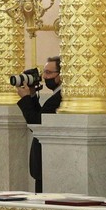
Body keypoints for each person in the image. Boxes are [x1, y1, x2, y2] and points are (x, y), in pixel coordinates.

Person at [16, 56, 62, 193]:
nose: (44, 76)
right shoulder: (55, 97)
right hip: (44, 164)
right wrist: (31, 96)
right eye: (43, 72)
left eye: (48, 73)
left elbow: (36, 122)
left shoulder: (59, 98)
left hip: (48, 162)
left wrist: (25, 99)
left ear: (61, 76)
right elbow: (40, 117)